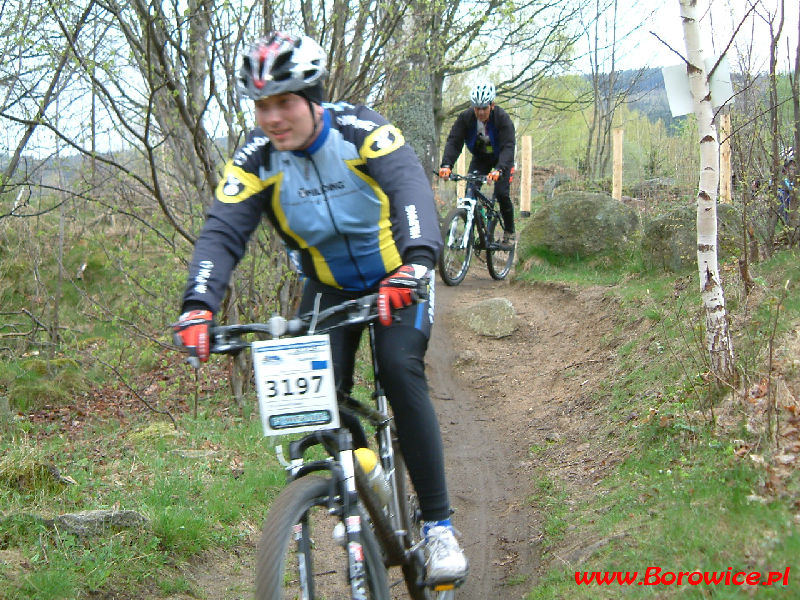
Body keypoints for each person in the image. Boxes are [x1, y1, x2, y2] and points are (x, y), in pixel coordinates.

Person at [171, 32, 468, 584]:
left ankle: (438, 526)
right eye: (262, 105)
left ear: (312, 98)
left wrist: (419, 261)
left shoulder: (363, 132)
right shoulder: (256, 162)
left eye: (283, 102)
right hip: (328, 290)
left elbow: (410, 187)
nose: (273, 118)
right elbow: (221, 233)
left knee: (401, 371)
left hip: (394, 279)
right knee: (314, 402)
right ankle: (348, 485)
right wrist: (198, 307)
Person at [438, 81, 517, 243]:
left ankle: (509, 231)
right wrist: (447, 165)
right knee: (470, 193)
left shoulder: (502, 118)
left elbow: (508, 146)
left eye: (484, 108)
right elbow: (454, 141)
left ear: (492, 105)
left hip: (501, 159)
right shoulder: (466, 118)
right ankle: (471, 233)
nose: (480, 112)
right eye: (477, 108)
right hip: (481, 159)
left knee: (502, 194)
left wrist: (500, 169)